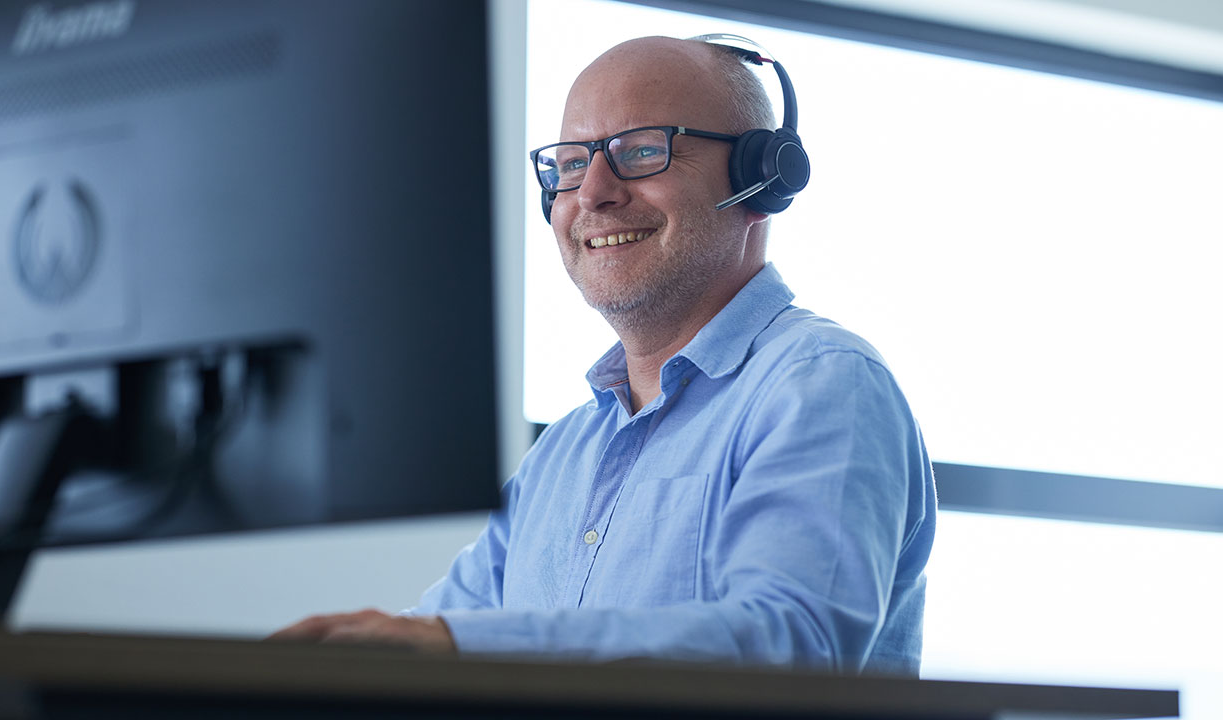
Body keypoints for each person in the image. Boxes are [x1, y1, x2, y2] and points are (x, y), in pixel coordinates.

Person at [272, 35, 936, 675]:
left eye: (641, 151)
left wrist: (455, 647)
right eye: (567, 165)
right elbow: (431, 643)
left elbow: (791, 645)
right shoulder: (562, 456)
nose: (591, 193)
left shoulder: (824, 384)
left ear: (760, 179)